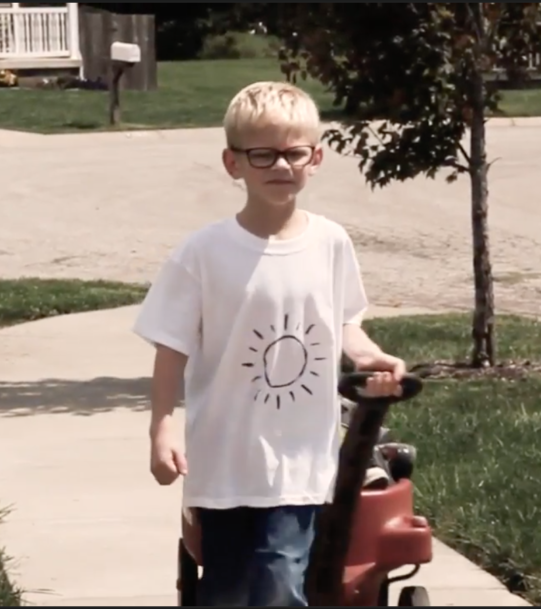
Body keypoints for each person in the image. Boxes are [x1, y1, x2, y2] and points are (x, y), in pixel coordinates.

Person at [132, 81, 407, 607]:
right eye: (262, 154)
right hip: (224, 459)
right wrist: (162, 428)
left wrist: (369, 355)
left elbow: (344, 322)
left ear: (316, 157)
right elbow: (170, 348)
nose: (280, 165)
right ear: (233, 163)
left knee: (279, 577)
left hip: (301, 457)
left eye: (294, 152)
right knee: (228, 591)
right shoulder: (204, 253)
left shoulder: (330, 243)